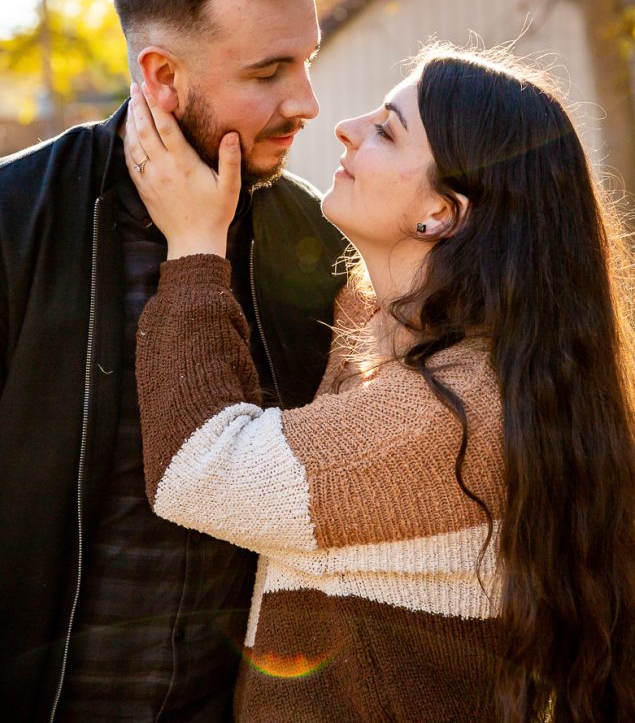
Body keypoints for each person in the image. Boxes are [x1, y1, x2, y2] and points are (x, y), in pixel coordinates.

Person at [126, 43, 635, 723]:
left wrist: (193, 244)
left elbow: (198, 471)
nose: (346, 126)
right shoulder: (450, 357)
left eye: (387, 130)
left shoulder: (443, 420)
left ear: (441, 214)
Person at [0, 0, 348, 722]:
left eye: (307, 60)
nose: (306, 101)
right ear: (162, 77)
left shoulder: (316, 241)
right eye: (268, 72)